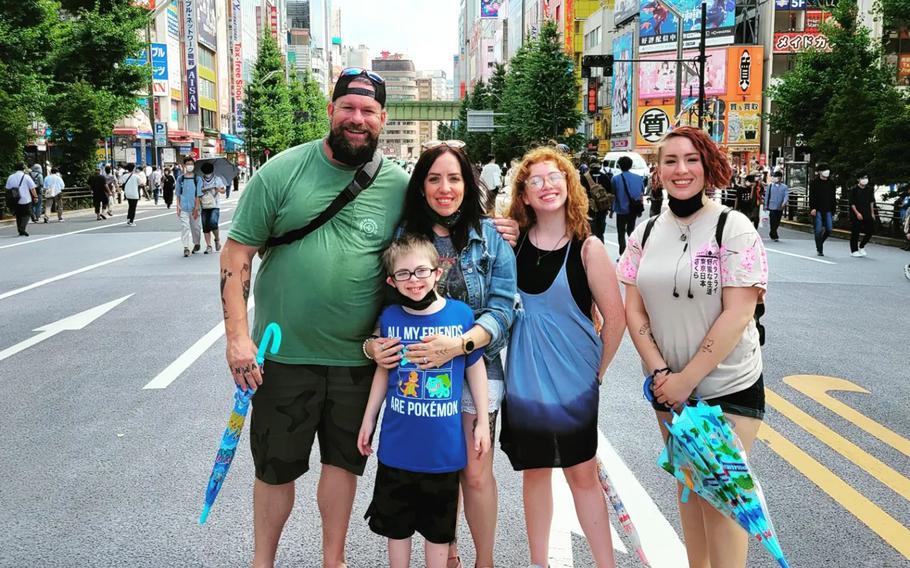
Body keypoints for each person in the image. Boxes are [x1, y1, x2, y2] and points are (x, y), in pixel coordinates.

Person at [222, 68, 519, 568]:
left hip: (359, 359)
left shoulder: (397, 184)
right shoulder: (281, 171)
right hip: (284, 353)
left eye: (368, 111)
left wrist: (494, 225)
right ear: (331, 110)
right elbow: (235, 257)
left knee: (343, 465)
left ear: (383, 118)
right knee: (275, 469)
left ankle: (333, 561)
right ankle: (262, 562)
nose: (357, 119)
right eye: (348, 108)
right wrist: (236, 338)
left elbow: (435, 224)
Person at [616, 126, 768, 568]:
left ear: (707, 165)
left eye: (691, 160)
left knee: (722, 506)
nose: (681, 170)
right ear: (657, 170)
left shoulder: (732, 226)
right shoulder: (644, 234)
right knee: (689, 492)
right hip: (669, 389)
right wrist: (661, 374)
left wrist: (687, 379)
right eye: (670, 161)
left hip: (728, 387)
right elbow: (634, 310)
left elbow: (738, 313)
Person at [366, 140, 517, 568]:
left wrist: (460, 344)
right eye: (434, 179)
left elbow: (504, 310)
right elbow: (382, 307)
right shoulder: (403, 237)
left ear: (469, 185)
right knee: (435, 468)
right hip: (416, 377)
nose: (444, 188)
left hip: (474, 368)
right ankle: (445, 551)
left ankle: (482, 561)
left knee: (473, 471)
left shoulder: (491, 238)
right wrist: (371, 345)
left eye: (454, 178)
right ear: (421, 186)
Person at [502, 146, 626, 568]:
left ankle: (605, 563)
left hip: (574, 383)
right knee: (534, 474)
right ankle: (539, 562)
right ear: (523, 194)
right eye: (534, 180)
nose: (546, 186)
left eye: (554, 177)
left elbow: (616, 319)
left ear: (568, 185)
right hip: (524, 381)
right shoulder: (512, 247)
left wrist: (598, 373)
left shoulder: (587, 249)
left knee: (582, 474)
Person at [359, 235, 491, 568]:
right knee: (397, 530)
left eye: (421, 271)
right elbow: (382, 372)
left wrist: (483, 422)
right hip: (397, 450)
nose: (413, 280)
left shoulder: (461, 316)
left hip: (443, 456)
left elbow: (475, 370)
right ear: (392, 281)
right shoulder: (390, 318)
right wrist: (368, 419)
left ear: (437, 272)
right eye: (403, 274)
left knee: (438, 534)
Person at [610, 155, 644, 255]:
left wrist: (611, 211)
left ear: (619, 166)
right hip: (633, 210)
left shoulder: (615, 179)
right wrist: (640, 209)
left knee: (621, 233)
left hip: (621, 210)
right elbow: (641, 194)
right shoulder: (638, 178)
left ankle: (622, 255)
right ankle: (632, 253)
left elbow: (613, 196)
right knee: (631, 231)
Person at [175, 156, 202, 257]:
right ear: (184, 166)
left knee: (196, 228)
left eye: (191, 164)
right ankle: (186, 247)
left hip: (194, 207)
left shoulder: (197, 179)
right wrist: (178, 206)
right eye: (188, 164)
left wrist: (196, 208)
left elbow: (198, 194)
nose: (189, 166)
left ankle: (197, 243)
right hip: (183, 208)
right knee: (185, 227)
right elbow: (178, 194)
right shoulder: (180, 178)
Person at [809, 163, 837, 256]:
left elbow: (833, 197)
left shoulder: (831, 183)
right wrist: (812, 208)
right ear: (820, 172)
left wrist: (834, 209)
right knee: (818, 230)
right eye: (824, 170)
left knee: (829, 229)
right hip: (817, 209)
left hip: (828, 208)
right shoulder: (814, 182)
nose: (827, 171)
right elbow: (812, 196)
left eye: (827, 169)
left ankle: (820, 242)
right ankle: (820, 249)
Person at [199, 161, 226, 254]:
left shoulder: (217, 179)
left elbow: (223, 190)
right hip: (204, 205)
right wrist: (204, 189)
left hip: (215, 205)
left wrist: (217, 189)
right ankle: (208, 246)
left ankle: (217, 239)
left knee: (213, 222)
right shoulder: (200, 180)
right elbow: (198, 192)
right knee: (205, 226)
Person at [6, 163, 38, 236]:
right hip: (25, 198)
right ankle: (22, 228)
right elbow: (32, 188)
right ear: (23, 168)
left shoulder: (10, 177)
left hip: (15, 198)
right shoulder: (26, 177)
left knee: (18, 215)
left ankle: (20, 230)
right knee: (27, 213)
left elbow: (7, 188)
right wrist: (35, 197)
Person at [849, 173, 876, 257]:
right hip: (856, 213)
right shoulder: (853, 189)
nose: (865, 179)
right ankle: (854, 250)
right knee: (855, 232)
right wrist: (857, 213)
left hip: (867, 213)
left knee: (870, 231)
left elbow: (871, 202)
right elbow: (852, 203)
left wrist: (872, 213)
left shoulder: (869, 189)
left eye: (866, 178)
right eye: (863, 178)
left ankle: (862, 246)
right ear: (858, 179)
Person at [764, 171, 789, 242]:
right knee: (773, 221)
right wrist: (765, 205)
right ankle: (774, 235)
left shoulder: (784, 187)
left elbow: (786, 196)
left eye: (777, 177)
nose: (775, 178)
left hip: (780, 207)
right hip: (772, 206)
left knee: (777, 221)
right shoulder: (770, 186)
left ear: (780, 178)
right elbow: (767, 196)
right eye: (774, 177)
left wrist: (784, 203)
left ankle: (772, 232)